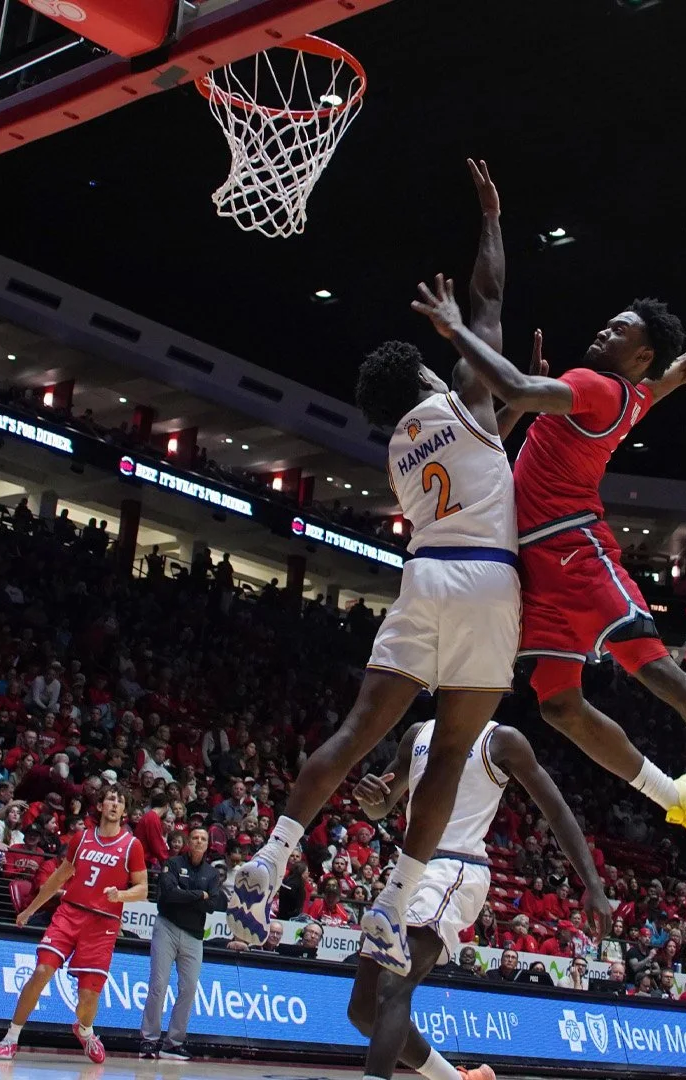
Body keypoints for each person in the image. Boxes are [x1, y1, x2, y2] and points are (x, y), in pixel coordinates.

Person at [228, 160, 523, 977]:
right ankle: (393, 903)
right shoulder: (463, 393)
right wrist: (491, 220)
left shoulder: (398, 448)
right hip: (485, 583)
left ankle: (270, 858)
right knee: (453, 751)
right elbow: (488, 300)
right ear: (425, 374)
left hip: (423, 578)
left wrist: (515, 402)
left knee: (359, 731)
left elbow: (485, 458)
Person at [413, 261, 686, 868]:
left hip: (575, 550)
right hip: (538, 568)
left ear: (641, 354)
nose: (604, 331)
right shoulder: (636, 393)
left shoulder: (596, 387)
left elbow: (515, 390)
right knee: (558, 706)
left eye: (619, 330)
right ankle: (680, 798)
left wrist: (455, 328)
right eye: (608, 324)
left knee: (657, 672)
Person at [346, 716, 612, 1080]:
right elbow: (380, 806)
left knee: (393, 986)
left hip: (454, 868)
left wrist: (593, 884)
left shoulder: (501, 739)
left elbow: (556, 810)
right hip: (408, 871)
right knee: (363, 1011)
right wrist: (370, 796)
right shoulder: (417, 733)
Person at [0, 787, 148, 1064]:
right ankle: (10, 1038)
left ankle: (85, 1031)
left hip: (103, 924)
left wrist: (121, 895)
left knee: (87, 998)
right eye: (110, 799)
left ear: (125, 810)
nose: (115, 804)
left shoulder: (131, 845)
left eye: (120, 801)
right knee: (41, 971)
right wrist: (29, 910)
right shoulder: (82, 837)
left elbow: (143, 889)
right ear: (100, 805)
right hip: (70, 913)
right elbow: (59, 877)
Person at [140, 824, 221, 1061]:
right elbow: (168, 894)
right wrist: (198, 895)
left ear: (207, 845)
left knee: (189, 989)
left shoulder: (212, 874)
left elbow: (212, 905)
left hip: (194, 936)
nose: (198, 841)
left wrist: (185, 894)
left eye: (203, 838)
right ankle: (149, 1040)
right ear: (188, 841)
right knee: (158, 984)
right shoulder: (174, 864)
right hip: (167, 927)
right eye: (195, 837)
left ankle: (173, 1043)